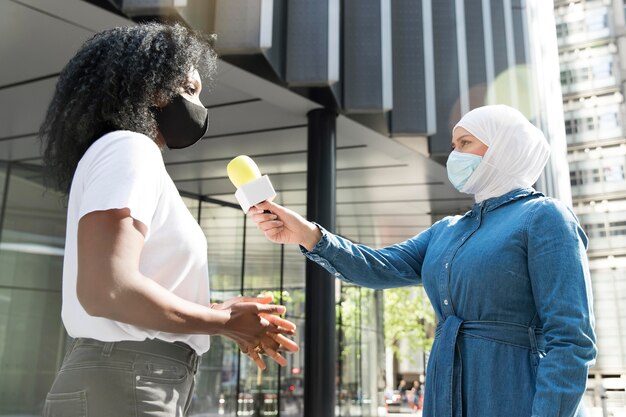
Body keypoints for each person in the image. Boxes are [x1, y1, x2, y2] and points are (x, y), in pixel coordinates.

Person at [251, 105, 597, 417]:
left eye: (465, 144)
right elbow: (378, 265)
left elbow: (571, 338)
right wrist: (309, 234)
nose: (454, 155)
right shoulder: (447, 230)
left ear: (503, 147)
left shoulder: (545, 217)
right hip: (444, 396)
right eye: (453, 145)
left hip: (515, 395)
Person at [40, 23, 298, 417]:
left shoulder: (123, 153)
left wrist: (219, 312)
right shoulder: (131, 147)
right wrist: (223, 319)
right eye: (191, 90)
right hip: (129, 381)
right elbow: (106, 289)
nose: (200, 107)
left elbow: (126, 285)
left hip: (132, 379)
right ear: (156, 89)